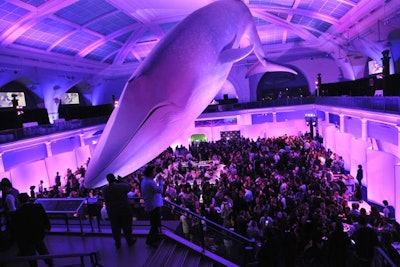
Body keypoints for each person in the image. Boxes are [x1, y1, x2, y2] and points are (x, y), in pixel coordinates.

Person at [12, 193, 54, 267]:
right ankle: (50, 264)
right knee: (43, 250)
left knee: (31, 255)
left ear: (19, 201)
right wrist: (47, 228)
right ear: (28, 199)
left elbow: (17, 228)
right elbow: (45, 218)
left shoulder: (18, 213)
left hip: (27, 237)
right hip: (39, 234)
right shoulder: (38, 207)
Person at [102, 173, 136, 249]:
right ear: (114, 179)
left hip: (112, 212)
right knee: (127, 226)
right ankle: (129, 241)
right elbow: (129, 187)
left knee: (115, 228)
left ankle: (118, 243)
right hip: (124, 210)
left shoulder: (104, 190)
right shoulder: (121, 186)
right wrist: (121, 181)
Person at [141, 164, 164, 248]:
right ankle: (150, 240)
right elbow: (160, 190)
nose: (155, 172)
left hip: (150, 204)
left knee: (155, 223)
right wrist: (161, 181)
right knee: (155, 224)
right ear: (150, 173)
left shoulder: (146, 180)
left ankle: (156, 238)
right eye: (154, 171)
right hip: (153, 205)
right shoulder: (150, 182)